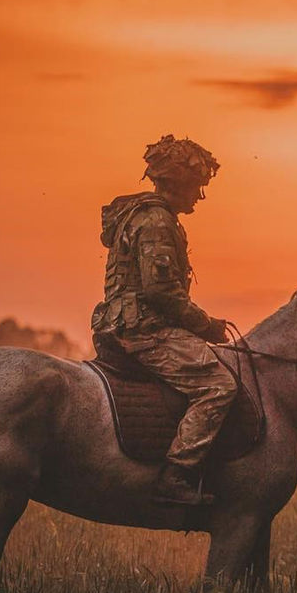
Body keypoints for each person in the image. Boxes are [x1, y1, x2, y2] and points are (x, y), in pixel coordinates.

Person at [91, 134, 237, 506]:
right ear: (176, 183)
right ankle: (176, 475)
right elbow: (161, 293)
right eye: (195, 186)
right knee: (219, 385)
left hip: (128, 324)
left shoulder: (143, 215)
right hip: (146, 331)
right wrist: (207, 326)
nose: (199, 197)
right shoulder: (156, 221)